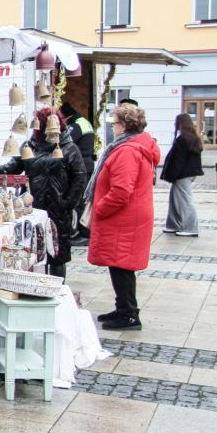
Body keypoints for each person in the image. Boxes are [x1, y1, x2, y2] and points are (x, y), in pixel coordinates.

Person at [0, 107, 88, 279]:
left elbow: (80, 177)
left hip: (58, 211)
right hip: (32, 209)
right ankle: (33, 286)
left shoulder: (69, 148)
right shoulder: (29, 146)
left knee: (56, 256)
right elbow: (12, 167)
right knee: (32, 252)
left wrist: (67, 203)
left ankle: (56, 289)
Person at [85, 103, 160, 330]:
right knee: (119, 264)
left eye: (114, 123)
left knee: (122, 265)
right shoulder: (133, 146)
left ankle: (128, 314)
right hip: (128, 217)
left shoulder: (127, 150)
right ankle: (123, 308)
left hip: (123, 219)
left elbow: (121, 191)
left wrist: (99, 208)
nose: (112, 127)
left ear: (124, 125)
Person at [161, 113, 203, 237]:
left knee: (185, 201)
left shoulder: (182, 139)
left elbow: (177, 161)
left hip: (182, 174)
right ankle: (173, 225)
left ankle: (190, 228)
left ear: (180, 124)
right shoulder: (193, 138)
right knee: (175, 198)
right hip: (189, 173)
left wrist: (170, 175)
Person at [60, 102, 96, 243]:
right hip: (87, 165)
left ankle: (84, 233)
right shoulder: (84, 122)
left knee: (79, 200)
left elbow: (66, 142)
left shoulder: (76, 126)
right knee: (83, 199)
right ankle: (84, 231)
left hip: (82, 167)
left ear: (66, 117)